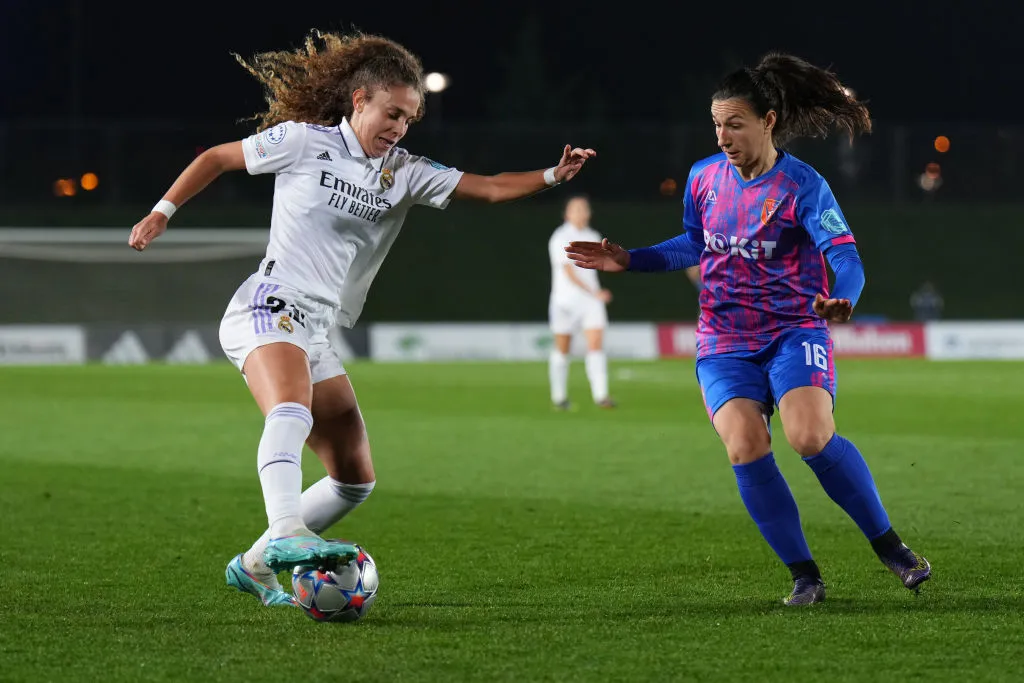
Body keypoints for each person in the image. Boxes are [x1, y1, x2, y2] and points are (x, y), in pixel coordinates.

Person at [128, 30, 596, 608]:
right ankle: (285, 532)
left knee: (355, 478)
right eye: (392, 113)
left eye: (409, 119)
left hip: (318, 325)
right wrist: (161, 212)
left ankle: (253, 565)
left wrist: (553, 176)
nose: (399, 127)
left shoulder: (403, 170)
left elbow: (491, 188)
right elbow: (217, 158)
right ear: (360, 101)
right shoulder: (302, 142)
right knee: (290, 407)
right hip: (270, 301)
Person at [566, 52, 929, 606]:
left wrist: (843, 299)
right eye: (716, 124)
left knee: (808, 437)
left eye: (735, 123)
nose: (722, 136)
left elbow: (846, 256)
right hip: (723, 340)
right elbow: (694, 242)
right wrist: (631, 259)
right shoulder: (703, 178)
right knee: (745, 446)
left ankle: (890, 548)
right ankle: (805, 576)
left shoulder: (803, 185)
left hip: (794, 331)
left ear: (768, 121)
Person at [547, 195, 616, 410]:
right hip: (564, 301)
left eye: (584, 208)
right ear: (567, 214)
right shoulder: (560, 237)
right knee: (562, 348)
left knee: (596, 345)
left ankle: (601, 395)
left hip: (590, 302)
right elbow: (568, 271)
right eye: (576, 209)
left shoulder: (594, 236)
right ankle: (559, 397)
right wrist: (595, 292)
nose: (581, 212)